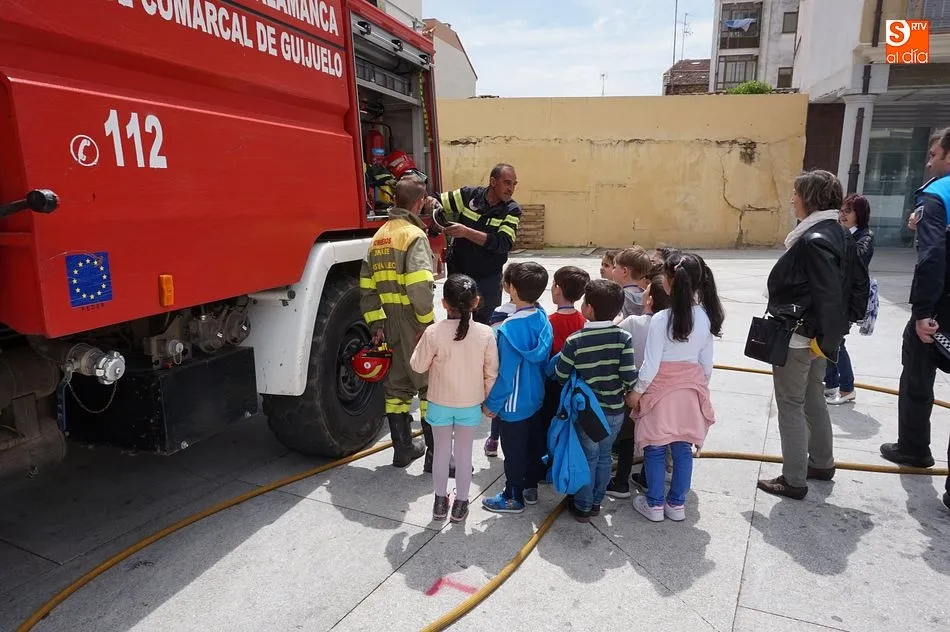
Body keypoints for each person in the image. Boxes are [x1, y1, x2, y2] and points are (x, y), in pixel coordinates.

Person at [757, 169, 868, 500]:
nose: (792, 199)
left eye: (796, 193)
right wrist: (831, 338)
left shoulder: (812, 240)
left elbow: (829, 296)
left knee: (790, 404)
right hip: (819, 339)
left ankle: (794, 479)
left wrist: (825, 338)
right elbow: (858, 291)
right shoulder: (841, 234)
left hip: (800, 338)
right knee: (812, 398)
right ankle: (821, 463)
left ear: (809, 199)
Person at [881, 128, 950, 509]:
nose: (929, 161)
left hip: (942, 309)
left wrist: (924, 313)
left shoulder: (937, 194)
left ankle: (913, 448)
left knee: (918, 376)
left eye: (934, 153)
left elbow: (933, 257)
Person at [627, 253, 722, 522]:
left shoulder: (661, 320)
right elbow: (706, 364)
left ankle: (655, 503)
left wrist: (637, 391)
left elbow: (651, 364)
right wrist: (698, 390)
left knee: (655, 447)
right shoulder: (704, 317)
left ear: (668, 282)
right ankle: (677, 504)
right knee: (682, 448)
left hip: (660, 391)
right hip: (691, 389)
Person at [359, 176, 437, 468]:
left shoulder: (379, 236)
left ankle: (403, 450)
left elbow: (366, 289)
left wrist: (377, 325)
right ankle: (435, 455)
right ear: (419, 202)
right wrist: (427, 324)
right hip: (413, 321)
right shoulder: (413, 236)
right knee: (428, 385)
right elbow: (419, 286)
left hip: (387, 322)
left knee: (398, 386)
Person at [410, 274, 499, 523]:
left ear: (443, 303)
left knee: (440, 453)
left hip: (438, 403)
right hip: (470, 405)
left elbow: (417, 366)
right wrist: (489, 402)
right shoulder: (485, 333)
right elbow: (491, 372)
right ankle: (461, 504)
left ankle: (439, 503)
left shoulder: (434, 332)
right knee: (463, 455)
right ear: (476, 302)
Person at [552, 279, 637, 522]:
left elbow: (561, 374)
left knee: (588, 457)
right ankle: (597, 502)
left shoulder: (575, 340)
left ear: (588, 308)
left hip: (588, 413)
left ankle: (583, 504)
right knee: (604, 456)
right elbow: (629, 375)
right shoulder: (624, 338)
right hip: (615, 411)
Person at [481, 262, 553, 514]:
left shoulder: (509, 329)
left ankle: (513, 496)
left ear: (511, 289)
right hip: (536, 396)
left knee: (513, 453)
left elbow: (505, 375)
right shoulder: (542, 317)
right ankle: (530, 487)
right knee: (533, 446)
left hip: (512, 404)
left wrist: (492, 404)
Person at [527, 265, 590, 504]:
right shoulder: (583, 320)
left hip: (551, 384)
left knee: (546, 424)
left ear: (558, 289)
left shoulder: (548, 321)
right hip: (574, 385)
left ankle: (545, 467)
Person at [607, 274, 671, 499]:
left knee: (627, 438)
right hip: (661, 391)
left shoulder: (634, 322)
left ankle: (621, 482)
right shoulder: (672, 327)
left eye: (647, 291)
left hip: (632, 388)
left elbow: (613, 334)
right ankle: (647, 478)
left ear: (650, 300)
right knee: (656, 438)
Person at [434, 164, 522, 325]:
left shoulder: (512, 210)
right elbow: (437, 201)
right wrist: (431, 204)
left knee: (485, 327)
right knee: (455, 324)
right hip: (459, 274)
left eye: (514, 184)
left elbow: (503, 243)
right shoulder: (469, 195)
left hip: (487, 279)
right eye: (507, 183)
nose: (511, 188)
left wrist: (466, 232)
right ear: (493, 181)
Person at [825, 194, 875, 405]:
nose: (842, 215)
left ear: (859, 215)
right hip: (834, 295)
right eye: (841, 210)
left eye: (848, 211)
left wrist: (841, 236)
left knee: (837, 342)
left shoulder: (865, 237)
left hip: (849, 299)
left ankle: (847, 388)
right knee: (828, 340)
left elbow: (856, 260)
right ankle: (830, 384)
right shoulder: (842, 233)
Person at [483, 263, 519, 458]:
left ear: (506, 286)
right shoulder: (537, 312)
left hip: (501, 364)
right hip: (525, 372)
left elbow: (493, 340)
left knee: (499, 404)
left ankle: (494, 441)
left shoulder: (499, 312)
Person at [613, 246, 655, 318]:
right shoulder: (647, 295)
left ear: (624, 271)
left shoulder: (618, 296)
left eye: (614, 267)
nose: (613, 271)